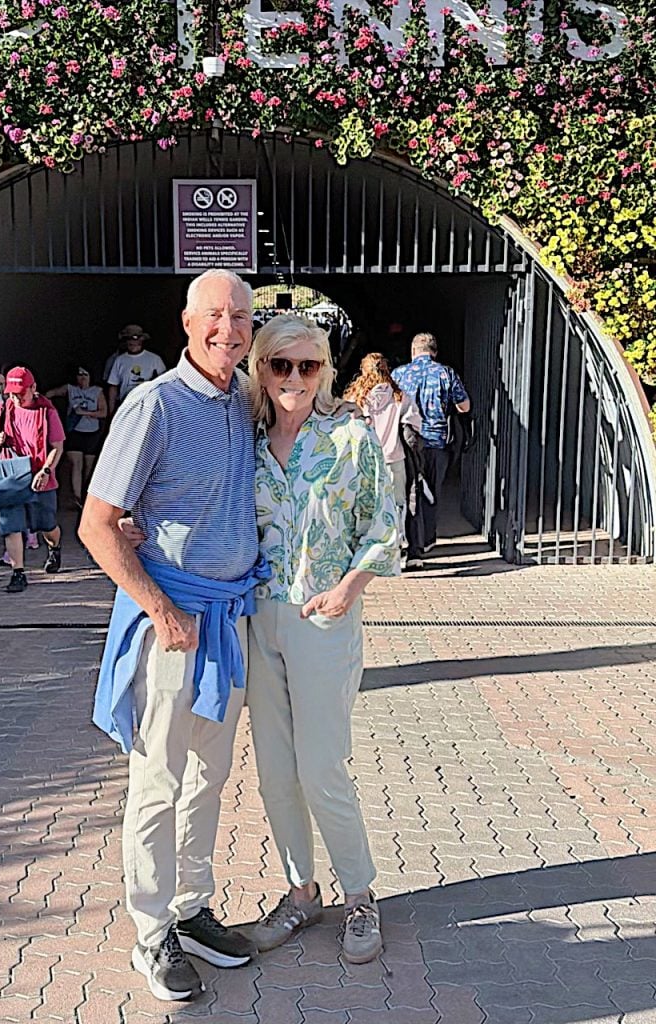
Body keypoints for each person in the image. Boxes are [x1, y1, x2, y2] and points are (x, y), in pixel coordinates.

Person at [78, 270, 264, 1003]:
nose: (229, 328)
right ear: (186, 324)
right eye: (214, 315)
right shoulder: (151, 407)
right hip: (174, 627)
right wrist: (159, 608)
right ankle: (151, 931)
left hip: (227, 619)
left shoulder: (244, 402)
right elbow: (98, 524)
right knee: (156, 780)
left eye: (241, 316)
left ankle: (192, 909)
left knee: (210, 777)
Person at [245, 316, 399, 964]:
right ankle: (300, 892)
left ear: (326, 372)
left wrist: (347, 591)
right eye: (282, 365)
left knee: (320, 766)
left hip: (322, 618)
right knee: (276, 771)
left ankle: (359, 894)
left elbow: (384, 525)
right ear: (262, 369)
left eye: (309, 367)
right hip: (258, 618)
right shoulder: (245, 442)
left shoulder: (349, 436)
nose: (296, 379)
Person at [0, 366, 65, 593]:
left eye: (21, 393)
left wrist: (47, 471)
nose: (16, 398)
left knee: (46, 525)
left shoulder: (47, 411)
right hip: (11, 476)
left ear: (33, 388)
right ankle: (18, 572)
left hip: (40, 476)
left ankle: (55, 547)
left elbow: (57, 447)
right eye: (12, 393)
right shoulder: (2, 410)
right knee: (11, 526)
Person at [343, 352, 424, 568]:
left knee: (365, 504)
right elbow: (415, 422)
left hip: (364, 459)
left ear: (364, 370)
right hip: (394, 456)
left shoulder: (355, 397)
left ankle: (368, 550)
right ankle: (397, 547)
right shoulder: (399, 396)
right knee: (398, 504)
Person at [391, 332, 470, 552]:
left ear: (413, 351)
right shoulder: (446, 374)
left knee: (408, 491)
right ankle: (427, 539)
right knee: (431, 492)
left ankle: (408, 538)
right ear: (434, 351)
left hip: (407, 442)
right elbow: (464, 406)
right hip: (436, 442)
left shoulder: (399, 374)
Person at [45, 367, 107, 508]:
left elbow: (104, 412)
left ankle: (87, 496)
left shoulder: (97, 391)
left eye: (85, 374)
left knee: (89, 467)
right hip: (75, 431)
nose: (82, 377)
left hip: (92, 432)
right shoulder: (70, 389)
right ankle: (77, 497)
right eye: (79, 375)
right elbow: (49, 394)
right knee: (76, 465)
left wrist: (85, 413)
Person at [106, 325, 166, 415]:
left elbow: (165, 383)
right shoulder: (120, 360)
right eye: (130, 339)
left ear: (141, 340)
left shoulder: (154, 359)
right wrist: (111, 412)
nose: (133, 342)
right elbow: (113, 386)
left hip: (148, 407)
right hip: (126, 406)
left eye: (136, 339)